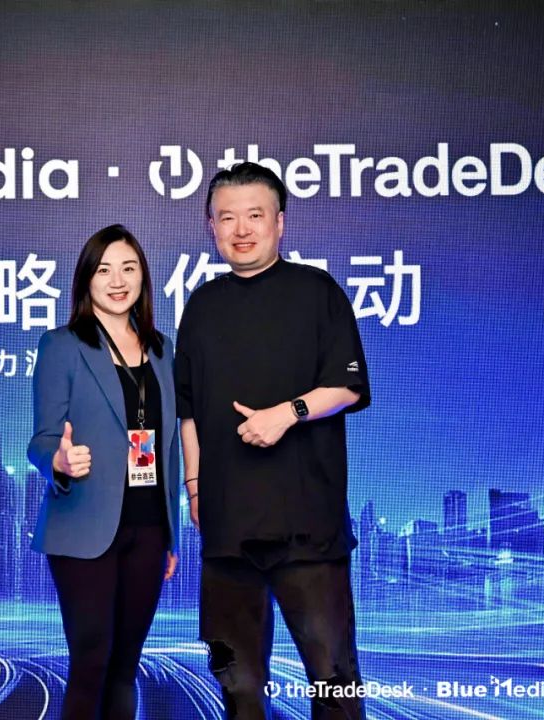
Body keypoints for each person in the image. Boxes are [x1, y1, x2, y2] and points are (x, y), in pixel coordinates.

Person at [175, 162, 371, 720]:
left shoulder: (317, 292)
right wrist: (195, 489)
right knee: (237, 688)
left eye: (255, 215)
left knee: (334, 681)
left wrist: (287, 414)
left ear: (279, 223)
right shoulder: (201, 306)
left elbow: (349, 386)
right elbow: (188, 412)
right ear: (211, 226)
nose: (241, 230)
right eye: (226, 218)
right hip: (227, 535)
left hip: (308, 529)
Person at [27, 224, 180, 720]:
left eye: (129, 269)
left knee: (125, 666)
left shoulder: (163, 350)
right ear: (86, 280)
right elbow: (43, 439)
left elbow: (169, 446)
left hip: (149, 529)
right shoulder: (62, 345)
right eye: (104, 270)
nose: (118, 281)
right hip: (83, 526)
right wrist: (59, 460)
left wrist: (172, 536)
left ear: (143, 278)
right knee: (91, 660)